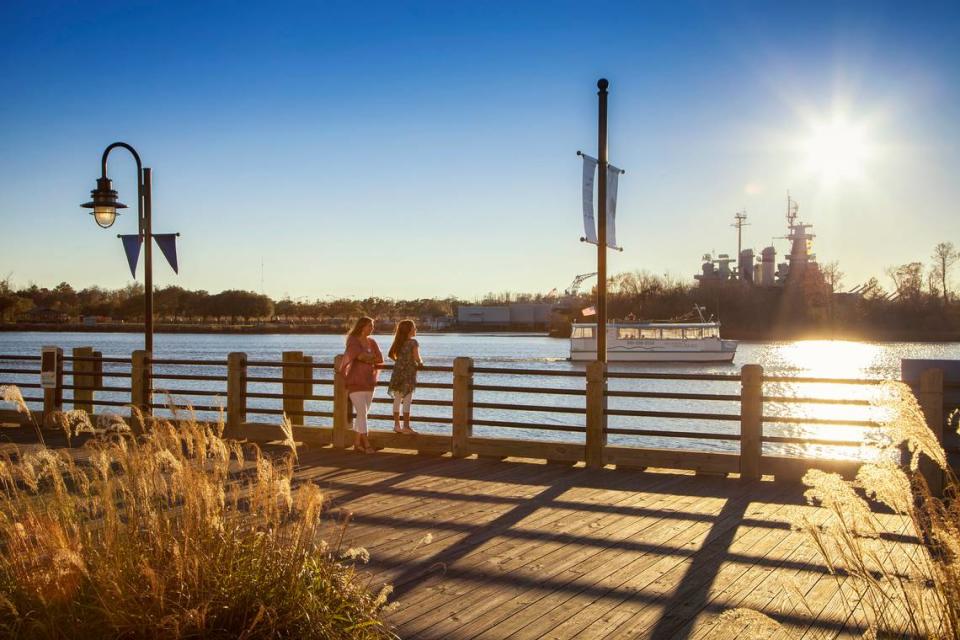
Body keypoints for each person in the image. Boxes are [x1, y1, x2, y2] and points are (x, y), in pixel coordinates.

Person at [341, 316, 383, 453]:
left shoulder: (372, 342)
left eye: (372, 326)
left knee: (362, 414)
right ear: (361, 326)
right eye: (369, 326)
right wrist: (369, 358)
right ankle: (367, 444)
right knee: (362, 413)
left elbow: (380, 359)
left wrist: (367, 358)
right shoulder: (352, 340)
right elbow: (359, 356)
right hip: (355, 382)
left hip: (369, 382)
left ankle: (357, 443)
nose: (372, 328)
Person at [387, 319, 423, 434]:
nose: (415, 329)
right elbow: (417, 358)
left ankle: (397, 425)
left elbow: (390, 354)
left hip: (397, 373)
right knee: (407, 400)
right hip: (408, 375)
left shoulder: (398, 342)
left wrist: (400, 362)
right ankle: (406, 426)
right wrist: (420, 363)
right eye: (414, 327)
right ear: (409, 330)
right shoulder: (413, 343)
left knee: (397, 399)